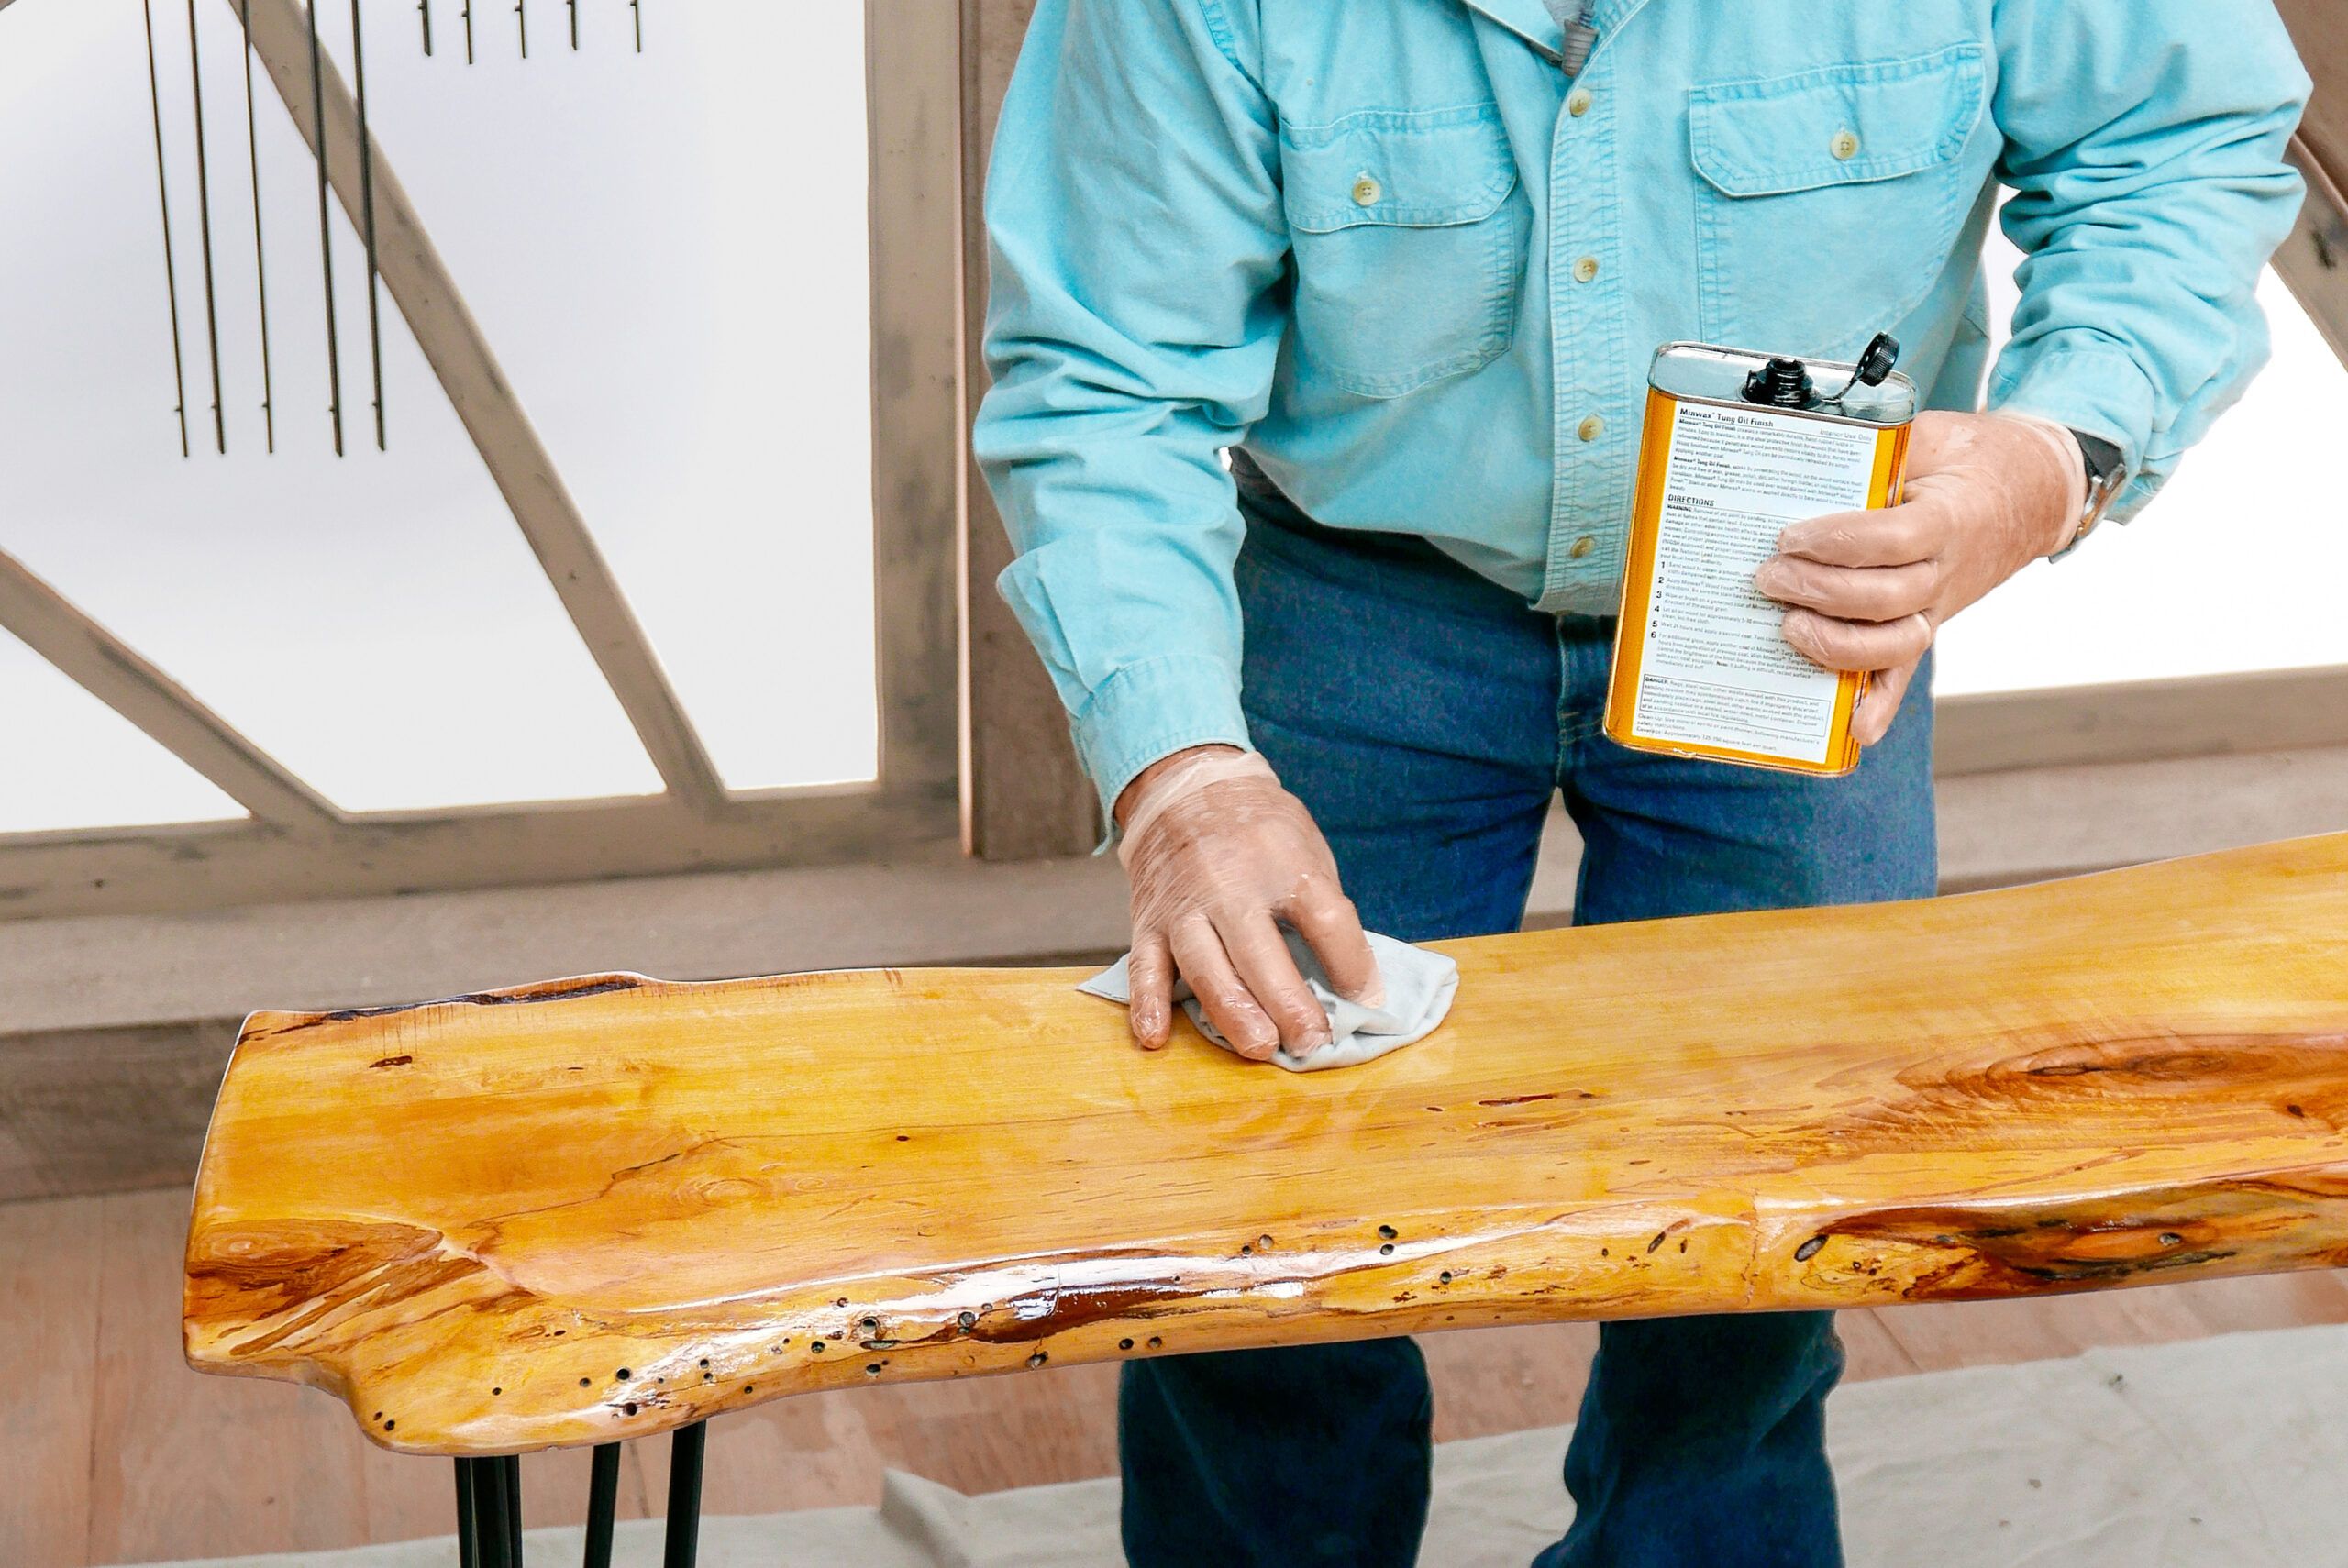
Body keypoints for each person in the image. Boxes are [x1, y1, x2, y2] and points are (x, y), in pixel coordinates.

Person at [971, 4, 2310, 1564]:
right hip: (1354, 604)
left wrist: (2053, 456)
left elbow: (2184, 139)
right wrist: (1183, 777)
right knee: (1252, 1260)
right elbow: (1103, 379)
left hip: (1795, 594)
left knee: (1768, 1240)